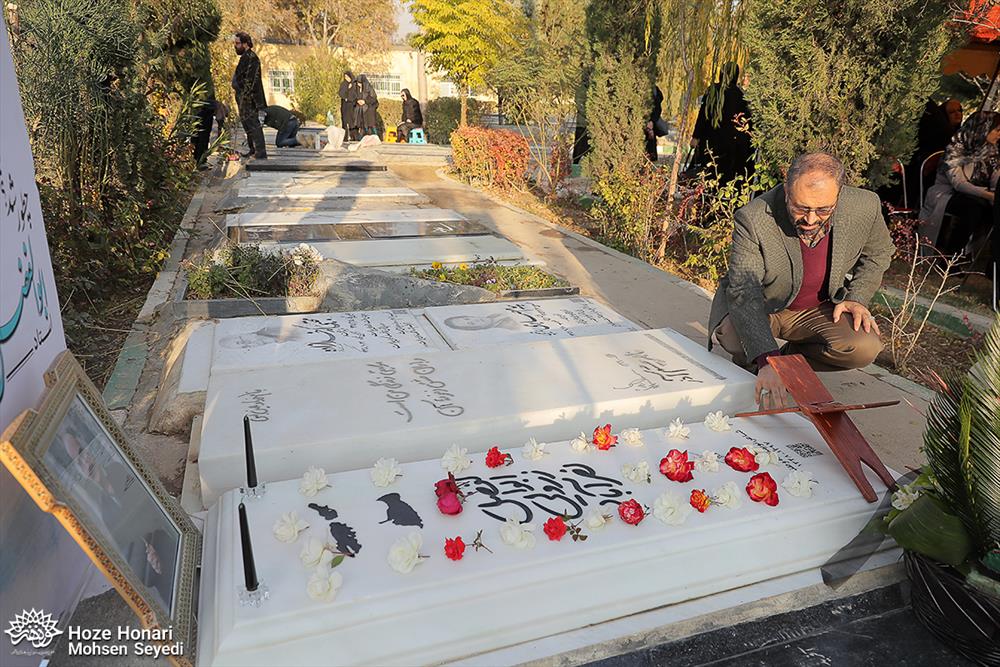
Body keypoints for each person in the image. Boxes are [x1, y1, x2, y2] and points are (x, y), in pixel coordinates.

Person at [709, 152, 895, 409]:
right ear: (787, 190)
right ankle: (759, 361)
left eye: (823, 210)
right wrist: (767, 358)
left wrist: (857, 297)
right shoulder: (754, 217)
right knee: (731, 335)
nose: (810, 219)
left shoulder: (865, 206)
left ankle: (786, 362)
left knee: (864, 346)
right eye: (801, 208)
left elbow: (879, 252)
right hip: (764, 305)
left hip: (816, 309)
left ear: (840, 195)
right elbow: (744, 289)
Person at [918, 111, 1000, 253]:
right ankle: (952, 254)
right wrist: (989, 195)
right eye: (997, 130)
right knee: (973, 209)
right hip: (947, 193)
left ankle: (989, 260)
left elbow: (996, 177)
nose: (999, 135)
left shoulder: (992, 151)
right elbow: (959, 183)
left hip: (977, 196)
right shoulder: (955, 149)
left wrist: (994, 192)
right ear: (982, 129)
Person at [690, 62, 753, 184]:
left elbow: (703, 116)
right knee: (726, 178)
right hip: (731, 147)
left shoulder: (713, 91)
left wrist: (696, 137)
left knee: (708, 175)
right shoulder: (739, 95)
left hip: (710, 142)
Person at [231, 31, 267, 160]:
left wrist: (245, 96)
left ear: (245, 44)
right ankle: (253, 150)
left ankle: (260, 152)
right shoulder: (245, 57)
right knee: (247, 124)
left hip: (249, 98)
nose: (235, 46)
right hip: (243, 97)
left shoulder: (252, 58)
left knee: (253, 124)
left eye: (238, 43)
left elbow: (251, 80)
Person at [645, 86, 668, 163]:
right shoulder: (653, 88)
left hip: (649, 127)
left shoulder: (652, 89)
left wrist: (652, 120)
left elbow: (657, 105)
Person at [339, 71, 357, 139]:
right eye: (345, 77)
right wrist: (348, 88)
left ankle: (354, 136)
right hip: (345, 105)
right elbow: (341, 93)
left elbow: (356, 94)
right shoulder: (344, 84)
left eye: (348, 77)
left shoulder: (354, 84)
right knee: (345, 121)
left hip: (352, 105)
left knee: (352, 121)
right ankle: (345, 136)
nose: (346, 78)